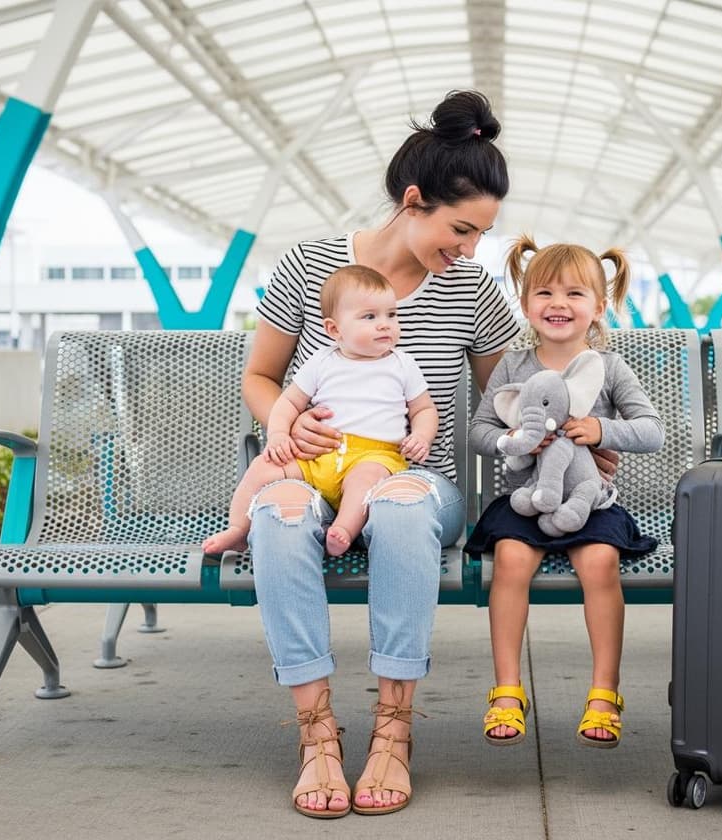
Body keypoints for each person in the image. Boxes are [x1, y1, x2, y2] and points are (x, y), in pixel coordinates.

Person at [244, 90, 520, 818]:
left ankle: (393, 732)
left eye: (479, 237)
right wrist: (286, 426)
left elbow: (508, 399)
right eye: (460, 229)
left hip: (420, 482)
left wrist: (568, 433)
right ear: (412, 199)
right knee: (278, 516)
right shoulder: (311, 265)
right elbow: (261, 375)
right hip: (314, 471)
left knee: (399, 511)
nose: (466, 250)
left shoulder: (474, 290)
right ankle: (317, 737)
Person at [466, 235, 665, 750]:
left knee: (599, 563)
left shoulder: (611, 368)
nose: (559, 304)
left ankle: (604, 691)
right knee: (510, 561)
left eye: (575, 294)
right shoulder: (514, 366)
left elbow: (651, 430)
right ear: (526, 303)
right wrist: (516, 439)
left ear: (599, 306)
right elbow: (480, 431)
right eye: (545, 293)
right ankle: (507, 688)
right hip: (525, 500)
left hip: (589, 500)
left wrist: (600, 432)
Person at [203, 264, 436, 558]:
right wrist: (278, 435)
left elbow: (423, 408)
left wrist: (422, 437)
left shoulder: (402, 364)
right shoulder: (322, 361)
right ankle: (238, 529)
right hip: (316, 457)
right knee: (264, 467)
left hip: (375, 454)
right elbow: (289, 402)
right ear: (334, 329)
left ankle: (344, 530)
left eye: (391, 314)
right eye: (369, 316)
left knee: (365, 480)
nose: (385, 324)